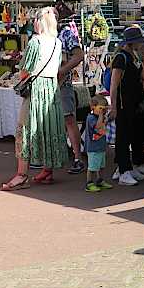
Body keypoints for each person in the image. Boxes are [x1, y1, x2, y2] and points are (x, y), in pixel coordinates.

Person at [2, 7, 67, 190]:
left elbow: (25, 71)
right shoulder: (57, 42)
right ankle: (47, 169)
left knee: (26, 130)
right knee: (48, 128)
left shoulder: (35, 42)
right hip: (51, 88)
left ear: (39, 22)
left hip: (36, 89)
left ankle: (22, 174)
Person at [109, 26, 144, 186]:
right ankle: (123, 170)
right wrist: (114, 107)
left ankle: (130, 167)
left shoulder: (133, 56)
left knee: (135, 133)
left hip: (134, 102)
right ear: (133, 42)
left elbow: (142, 76)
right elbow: (114, 84)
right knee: (123, 137)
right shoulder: (121, 58)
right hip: (124, 104)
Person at [57, 12, 86, 175]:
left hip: (63, 85)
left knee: (68, 119)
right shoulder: (43, 35)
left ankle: (77, 158)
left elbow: (79, 55)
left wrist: (63, 70)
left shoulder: (65, 33)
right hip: (47, 86)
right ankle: (53, 158)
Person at [84, 95, 113, 192]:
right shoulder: (91, 118)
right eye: (100, 108)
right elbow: (97, 127)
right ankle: (89, 183)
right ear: (93, 107)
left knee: (101, 166)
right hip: (93, 148)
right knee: (92, 167)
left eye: (104, 108)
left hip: (101, 146)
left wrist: (107, 113)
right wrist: (101, 116)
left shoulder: (101, 117)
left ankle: (100, 180)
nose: (102, 110)